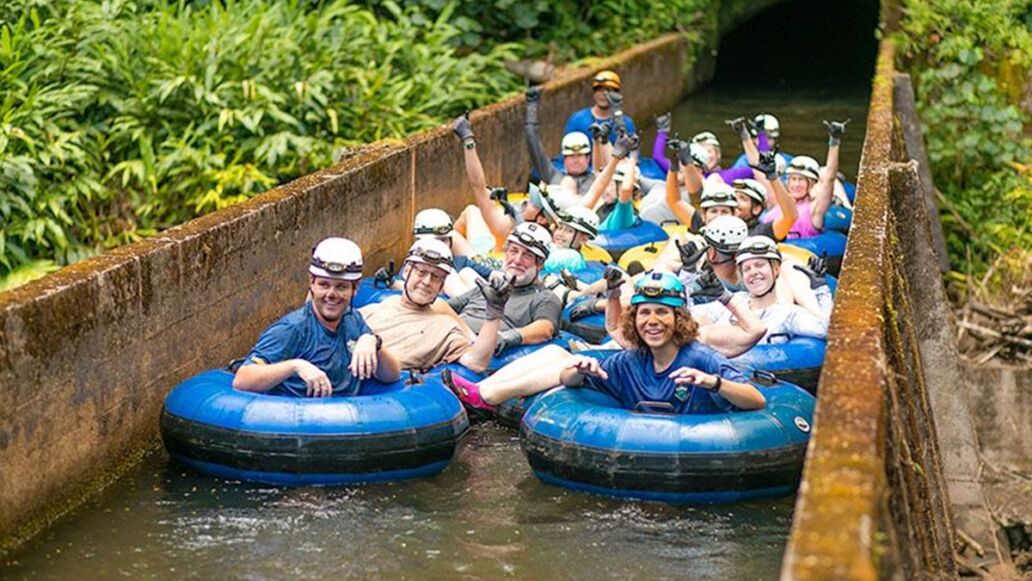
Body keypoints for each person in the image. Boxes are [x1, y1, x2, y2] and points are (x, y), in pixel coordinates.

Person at [443, 271, 765, 413]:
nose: (652, 321)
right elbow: (570, 379)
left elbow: (756, 400)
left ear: (678, 318)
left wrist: (712, 383)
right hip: (635, 456)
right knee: (563, 358)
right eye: (644, 314)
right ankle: (486, 392)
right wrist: (579, 370)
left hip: (697, 453)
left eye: (662, 313)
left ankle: (486, 394)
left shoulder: (701, 358)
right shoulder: (631, 361)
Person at [233, 238, 401, 397]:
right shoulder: (292, 329)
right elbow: (242, 379)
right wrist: (295, 366)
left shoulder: (353, 319)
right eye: (324, 285)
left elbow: (391, 376)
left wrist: (373, 342)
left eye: (341, 287)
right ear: (311, 283)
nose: (331, 294)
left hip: (347, 418)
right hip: (298, 418)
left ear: (355, 288)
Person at [360, 238, 509, 373]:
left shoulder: (445, 328)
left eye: (436, 277)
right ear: (406, 271)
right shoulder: (376, 309)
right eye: (421, 272)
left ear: (441, 285)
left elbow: (476, 362)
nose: (426, 282)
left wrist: (493, 314)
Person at [445, 222, 562, 353]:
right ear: (505, 253)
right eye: (513, 251)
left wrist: (509, 337)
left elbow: (545, 329)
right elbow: (444, 306)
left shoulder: (545, 298)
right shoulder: (489, 287)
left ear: (540, 263)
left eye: (527, 256)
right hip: (450, 336)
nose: (517, 261)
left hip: (478, 351)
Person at [691, 236, 829, 343]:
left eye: (759, 265)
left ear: (776, 269)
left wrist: (821, 288)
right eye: (747, 269)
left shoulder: (787, 314)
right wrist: (687, 273)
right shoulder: (733, 301)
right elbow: (686, 315)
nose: (753, 272)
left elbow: (825, 330)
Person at [760, 120, 848, 238]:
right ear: (787, 181)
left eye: (801, 180)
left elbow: (829, 178)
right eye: (793, 179)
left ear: (811, 184)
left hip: (800, 253)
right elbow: (762, 173)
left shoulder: (814, 209)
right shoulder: (777, 203)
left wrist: (834, 141)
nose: (796, 184)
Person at [526, 86, 595, 196]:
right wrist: (531, 106)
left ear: (588, 158)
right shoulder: (553, 175)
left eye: (579, 155)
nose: (576, 160)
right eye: (571, 156)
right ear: (564, 159)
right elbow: (533, 142)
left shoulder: (597, 180)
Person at [563, 70, 637, 145]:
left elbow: (633, 153)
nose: (604, 94)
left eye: (609, 90)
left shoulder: (626, 124)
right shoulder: (577, 120)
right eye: (599, 90)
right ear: (594, 93)